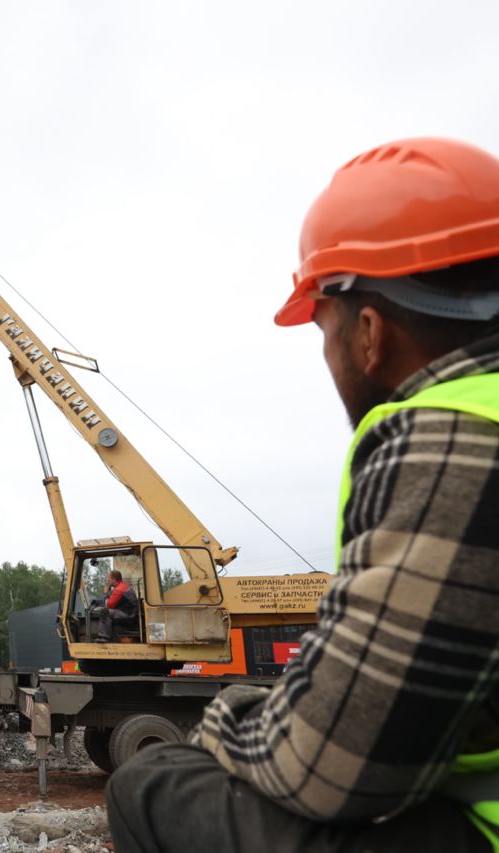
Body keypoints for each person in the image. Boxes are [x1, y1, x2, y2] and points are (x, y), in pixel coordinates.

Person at [106, 138, 499, 851]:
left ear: (370, 332)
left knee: (151, 783)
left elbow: (332, 763)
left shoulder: (456, 435)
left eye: (323, 328)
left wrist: (224, 720)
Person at [96, 569, 139, 642]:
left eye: (109, 578)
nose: (108, 580)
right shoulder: (124, 585)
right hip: (131, 613)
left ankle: (104, 637)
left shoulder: (119, 590)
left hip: (128, 615)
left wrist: (105, 593)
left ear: (114, 579)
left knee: (105, 612)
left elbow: (108, 605)